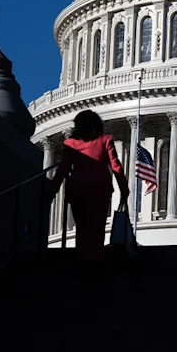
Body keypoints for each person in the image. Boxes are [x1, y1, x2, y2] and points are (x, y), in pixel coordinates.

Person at [47, 110, 129, 257]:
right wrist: (123, 188)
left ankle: (82, 260)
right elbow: (116, 166)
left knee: (82, 228)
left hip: (78, 190)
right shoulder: (105, 140)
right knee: (97, 228)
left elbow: (64, 168)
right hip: (100, 191)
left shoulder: (71, 143)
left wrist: (53, 189)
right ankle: (95, 260)